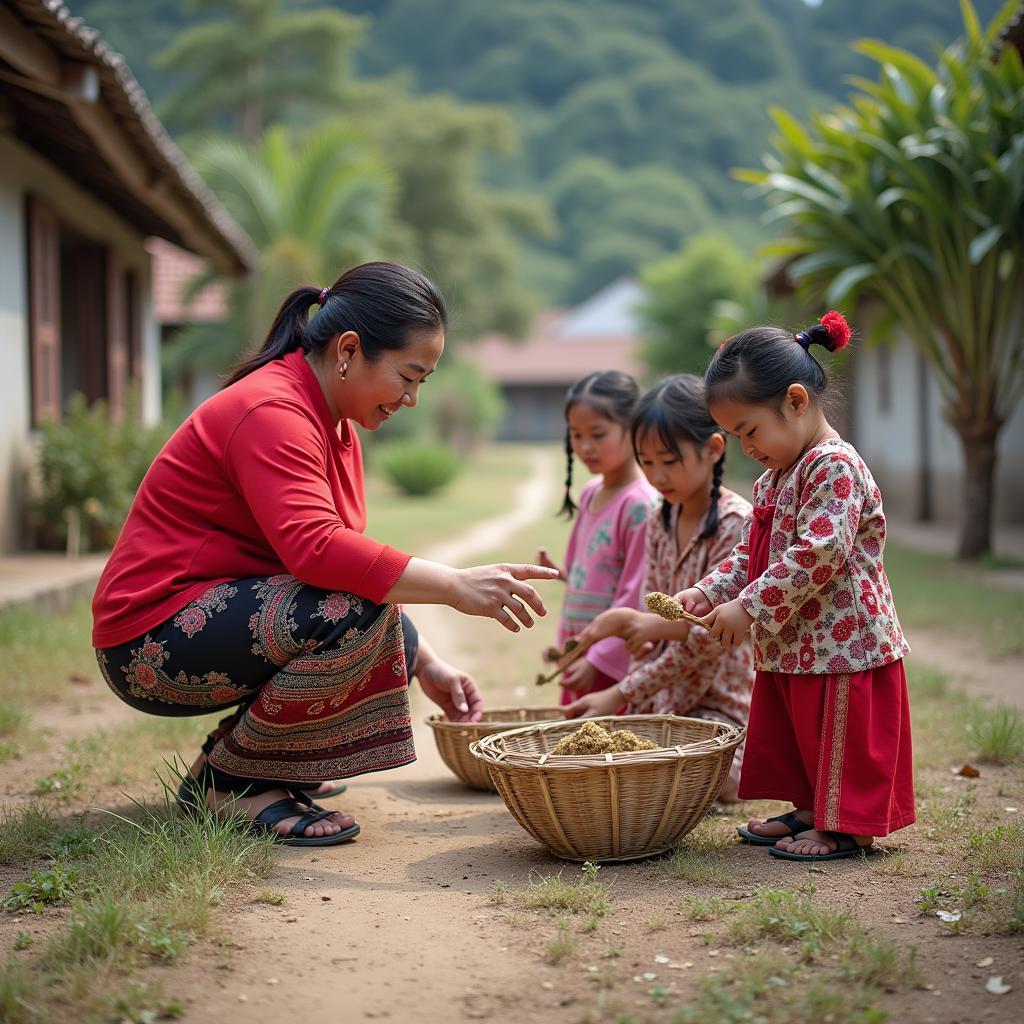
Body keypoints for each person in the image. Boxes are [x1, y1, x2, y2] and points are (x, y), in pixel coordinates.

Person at [92, 262, 558, 847]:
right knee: (350, 611)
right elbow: (318, 553)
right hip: (147, 639)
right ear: (348, 350)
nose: (412, 398)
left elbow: (348, 565)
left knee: (375, 618)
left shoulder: (331, 423)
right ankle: (233, 783)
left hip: (197, 623)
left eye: (424, 383)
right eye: (408, 376)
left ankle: (244, 761)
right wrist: (454, 585)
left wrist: (426, 660)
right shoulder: (272, 412)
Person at [675, 311, 915, 861]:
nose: (747, 448)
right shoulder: (774, 477)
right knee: (801, 732)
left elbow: (820, 551)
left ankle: (844, 826)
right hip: (797, 641)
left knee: (838, 734)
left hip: (843, 640)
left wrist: (749, 607)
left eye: (750, 431)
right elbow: (752, 553)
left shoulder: (834, 466)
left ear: (796, 401)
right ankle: (809, 811)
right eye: (736, 437)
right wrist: (710, 592)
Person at [561, 375, 754, 800]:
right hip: (662, 701)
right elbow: (654, 620)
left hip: (718, 707)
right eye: (646, 462)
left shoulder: (736, 525)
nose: (657, 475)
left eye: (669, 460)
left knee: (694, 778)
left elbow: (705, 639)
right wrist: (640, 638)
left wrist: (620, 691)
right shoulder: (658, 519)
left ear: (713, 449)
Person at [537, 372, 656, 705]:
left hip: (612, 660)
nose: (585, 447)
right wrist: (559, 572)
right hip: (580, 651)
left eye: (598, 434)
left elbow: (635, 595)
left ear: (634, 429)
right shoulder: (591, 493)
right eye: (576, 435)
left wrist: (598, 658)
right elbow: (586, 576)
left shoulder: (640, 505)